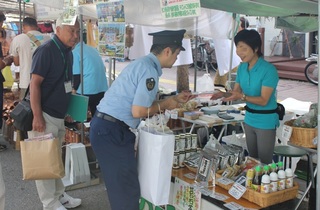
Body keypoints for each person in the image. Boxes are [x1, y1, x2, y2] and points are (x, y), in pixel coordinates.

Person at [89, 29, 194, 210]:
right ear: (167, 51)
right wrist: (166, 104)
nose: (177, 58)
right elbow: (138, 111)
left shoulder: (143, 64)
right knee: (126, 190)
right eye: (177, 53)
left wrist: (171, 100)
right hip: (112, 131)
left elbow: (142, 103)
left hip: (106, 127)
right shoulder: (149, 71)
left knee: (121, 187)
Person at [28, 15, 81, 210]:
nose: (75, 36)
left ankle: (59, 195)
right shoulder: (46, 50)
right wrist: (37, 115)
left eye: (77, 31)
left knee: (55, 158)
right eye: (71, 31)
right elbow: (35, 84)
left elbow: (64, 84)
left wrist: (68, 109)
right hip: (45, 113)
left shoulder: (68, 51)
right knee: (44, 161)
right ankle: (49, 203)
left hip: (58, 114)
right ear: (57, 30)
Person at [211, 29, 279, 164]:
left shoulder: (268, 70)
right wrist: (223, 94)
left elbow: (264, 100)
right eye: (237, 47)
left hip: (266, 120)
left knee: (264, 162)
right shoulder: (242, 68)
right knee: (252, 160)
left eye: (243, 48)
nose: (239, 52)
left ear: (255, 48)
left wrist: (241, 96)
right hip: (249, 119)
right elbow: (236, 93)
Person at [10, 17, 51, 100]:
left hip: (27, 82)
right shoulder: (48, 39)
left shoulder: (18, 39)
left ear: (24, 26)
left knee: (26, 110)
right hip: (46, 82)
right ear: (36, 26)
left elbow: (16, 63)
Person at [72, 39, 108, 117]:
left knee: (78, 117)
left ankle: (80, 127)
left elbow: (76, 77)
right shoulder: (93, 49)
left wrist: (73, 92)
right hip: (102, 88)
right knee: (96, 116)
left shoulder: (75, 52)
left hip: (87, 90)